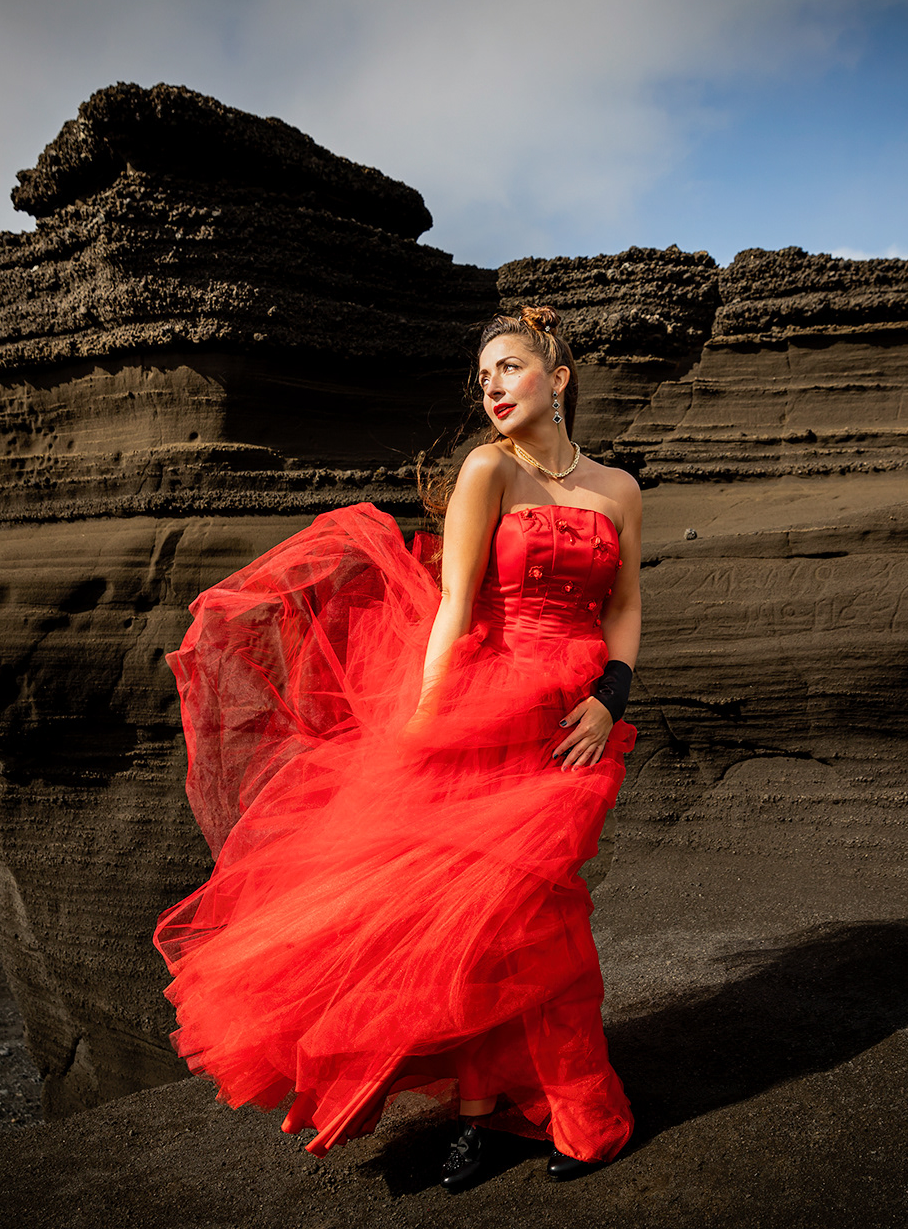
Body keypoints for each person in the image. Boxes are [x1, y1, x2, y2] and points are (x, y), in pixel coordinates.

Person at [153, 305, 642, 1190]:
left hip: (573, 719)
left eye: (510, 368)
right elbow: (455, 605)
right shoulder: (487, 470)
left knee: (539, 911)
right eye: (483, 373)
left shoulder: (618, 490)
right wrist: (424, 724)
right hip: (489, 705)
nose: (492, 385)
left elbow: (627, 609)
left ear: (558, 379)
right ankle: (497, 1115)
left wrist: (613, 697)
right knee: (490, 918)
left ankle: (541, 1109)